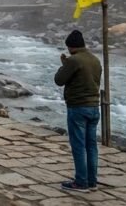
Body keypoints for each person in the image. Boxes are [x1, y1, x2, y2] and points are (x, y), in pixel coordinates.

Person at [54, 30, 102, 193]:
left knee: (78, 145)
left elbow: (59, 80)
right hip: (94, 107)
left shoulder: (73, 60)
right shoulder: (95, 59)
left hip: (78, 107)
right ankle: (92, 181)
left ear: (70, 47)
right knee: (91, 146)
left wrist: (64, 65)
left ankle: (81, 182)